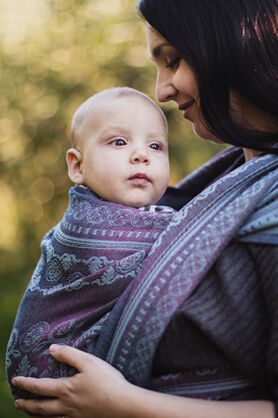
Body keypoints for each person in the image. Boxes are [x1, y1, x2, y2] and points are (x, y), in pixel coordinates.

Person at [11, 0, 278, 417]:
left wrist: (123, 405)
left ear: (236, 43)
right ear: (76, 165)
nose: (161, 91)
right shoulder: (229, 176)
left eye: (173, 60)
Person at [6, 87, 175, 398]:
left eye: (155, 145)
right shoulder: (85, 228)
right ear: (77, 166)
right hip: (57, 368)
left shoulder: (147, 215)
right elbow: (182, 243)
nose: (141, 154)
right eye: (119, 142)